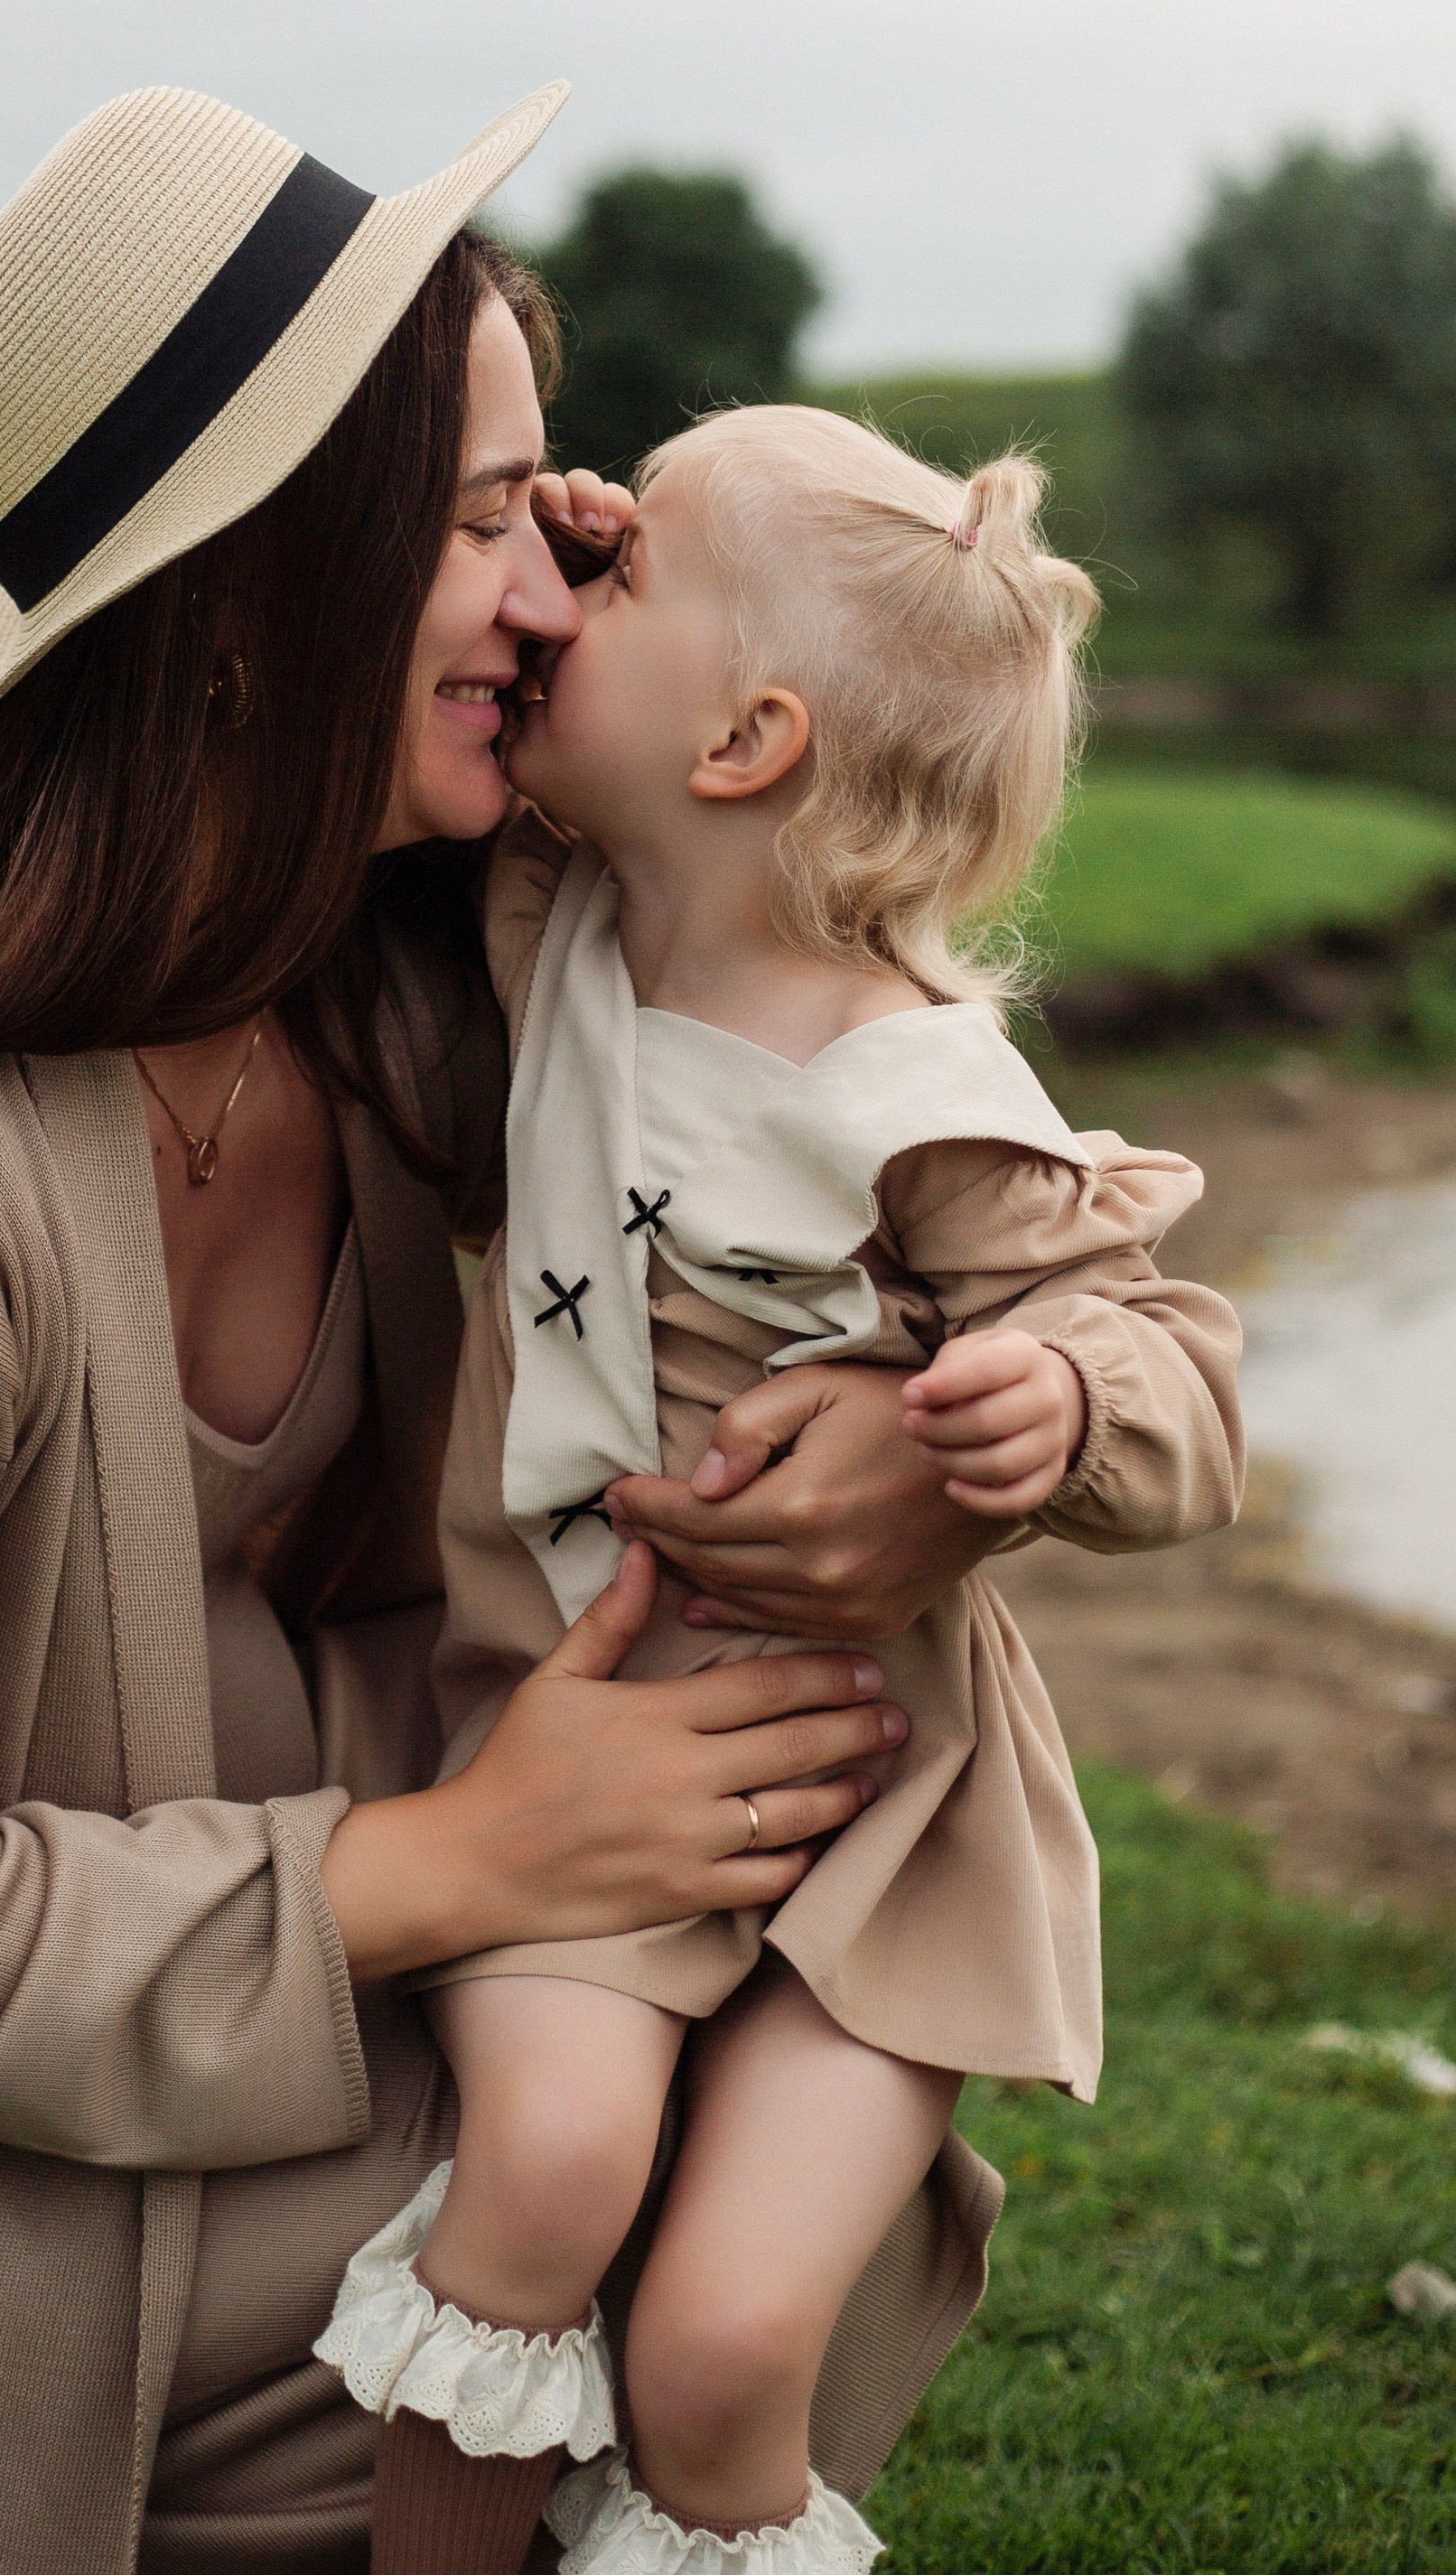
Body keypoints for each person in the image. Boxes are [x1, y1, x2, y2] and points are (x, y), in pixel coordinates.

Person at [0, 84, 1136, 2575]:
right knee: (590, 2249)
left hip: (219, 1977)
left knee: (724, 2193)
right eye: (483, 518)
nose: (558, 582)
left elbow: (790, 1079)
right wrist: (464, 1854)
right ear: (238, 590)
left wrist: (895, 1463)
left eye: (570, 516)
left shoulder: (399, 992)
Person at [313, 409, 1244, 2574]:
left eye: (612, 578)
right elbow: (468, 761)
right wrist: (563, 535)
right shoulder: (556, 923)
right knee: (540, 2179)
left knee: (732, 2346)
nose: (553, 591)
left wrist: (1042, 1400)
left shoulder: (926, 1090)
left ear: (742, 739)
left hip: (880, 1815)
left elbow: (1180, 1373)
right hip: (590, 1739)